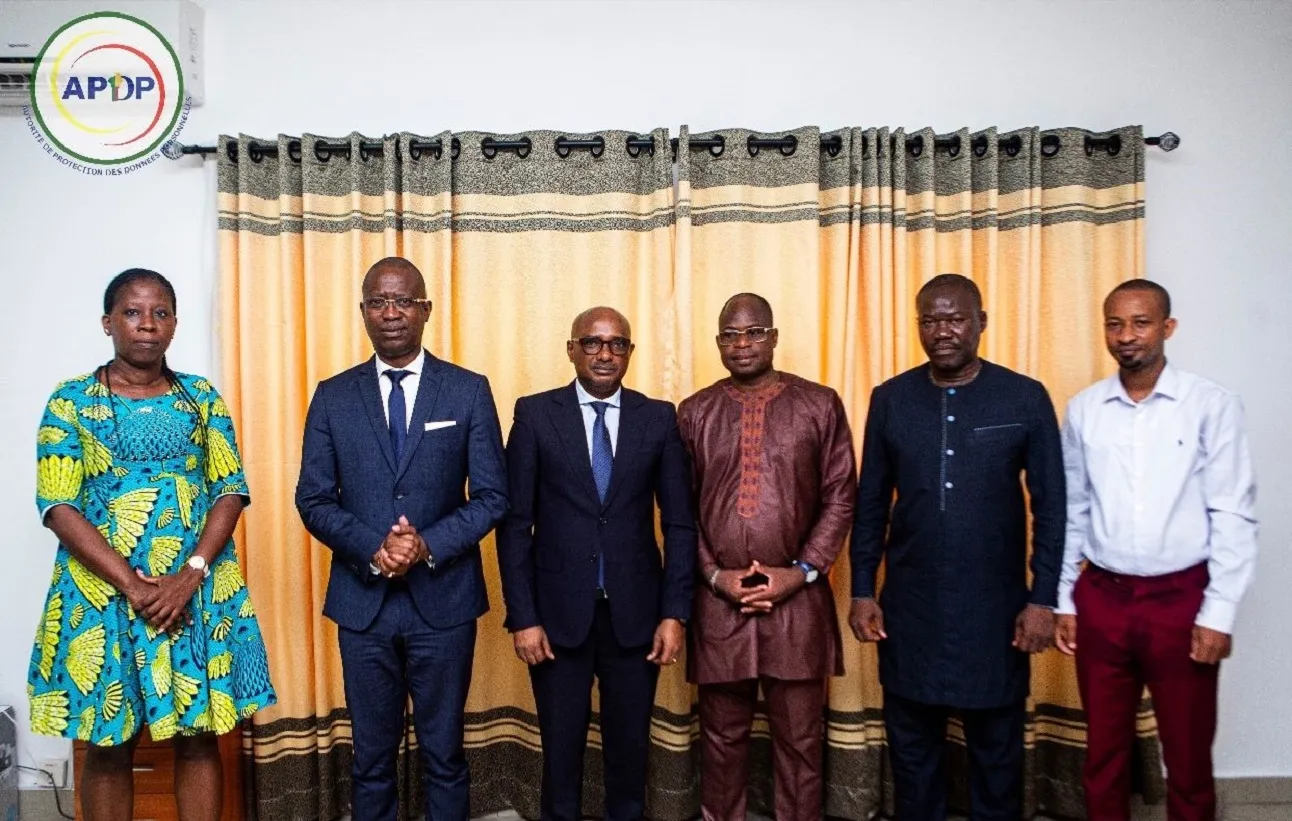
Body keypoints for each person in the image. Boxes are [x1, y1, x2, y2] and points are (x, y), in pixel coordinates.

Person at [29, 269, 275, 821]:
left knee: (197, 736)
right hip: (103, 597)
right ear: (108, 322)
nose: (147, 325)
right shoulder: (70, 402)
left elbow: (230, 490)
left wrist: (190, 574)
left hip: (195, 593)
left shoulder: (201, 398)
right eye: (134, 312)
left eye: (160, 313)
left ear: (174, 324)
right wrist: (132, 584)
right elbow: (57, 506)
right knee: (109, 745)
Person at [295, 256, 508, 821]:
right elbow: (312, 499)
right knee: (370, 759)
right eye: (378, 302)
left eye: (404, 301)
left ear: (426, 310)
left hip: (445, 604)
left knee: (445, 755)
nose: (391, 313)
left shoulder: (467, 391)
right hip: (363, 608)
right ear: (363, 311)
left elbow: (492, 496)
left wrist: (425, 545)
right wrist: (374, 547)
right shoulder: (333, 396)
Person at [849, 273, 1065, 821]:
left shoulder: (1024, 396)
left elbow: (1052, 507)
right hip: (910, 611)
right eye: (930, 320)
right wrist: (860, 590)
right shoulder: (892, 399)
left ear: (981, 323)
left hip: (996, 613)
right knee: (914, 758)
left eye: (955, 318)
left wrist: (1044, 600)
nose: (942, 331)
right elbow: (870, 503)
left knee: (996, 759)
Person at [1054, 279, 1257, 821]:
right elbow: (1073, 509)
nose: (1127, 336)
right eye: (1115, 324)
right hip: (1102, 596)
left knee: (1188, 757)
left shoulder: (1211, 405)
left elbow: (1233, 513)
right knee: (1103, 753)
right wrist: (1066, 600)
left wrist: (1219, 612)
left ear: (1168, 328)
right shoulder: (1084, 410)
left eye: (1141, 323)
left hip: (1181, 599)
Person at [497, 306, 696, 821]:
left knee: (629, 756)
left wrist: (675, 613)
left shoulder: (658, 418)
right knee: (560, 758)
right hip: (557, 620)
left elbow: (678, 524)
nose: (605, 353)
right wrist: (523, 617)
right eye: (592, 342)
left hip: (637, 618)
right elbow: (515, 524)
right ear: (571, 349)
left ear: (630, 352)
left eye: (617, 344)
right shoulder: (536, 415)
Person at [677, 293, 856, 821]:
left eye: (754, 332)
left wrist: (800, 573)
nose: (743, 343)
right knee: (721, 739)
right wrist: (713, 575)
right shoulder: (695, 412)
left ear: (774, 337)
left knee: (801, 741)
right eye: (731, 335)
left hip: (798, 603)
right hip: (718, 601)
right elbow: (680, 508)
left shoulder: (819, 404)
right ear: (718, 344)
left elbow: (841, 494)